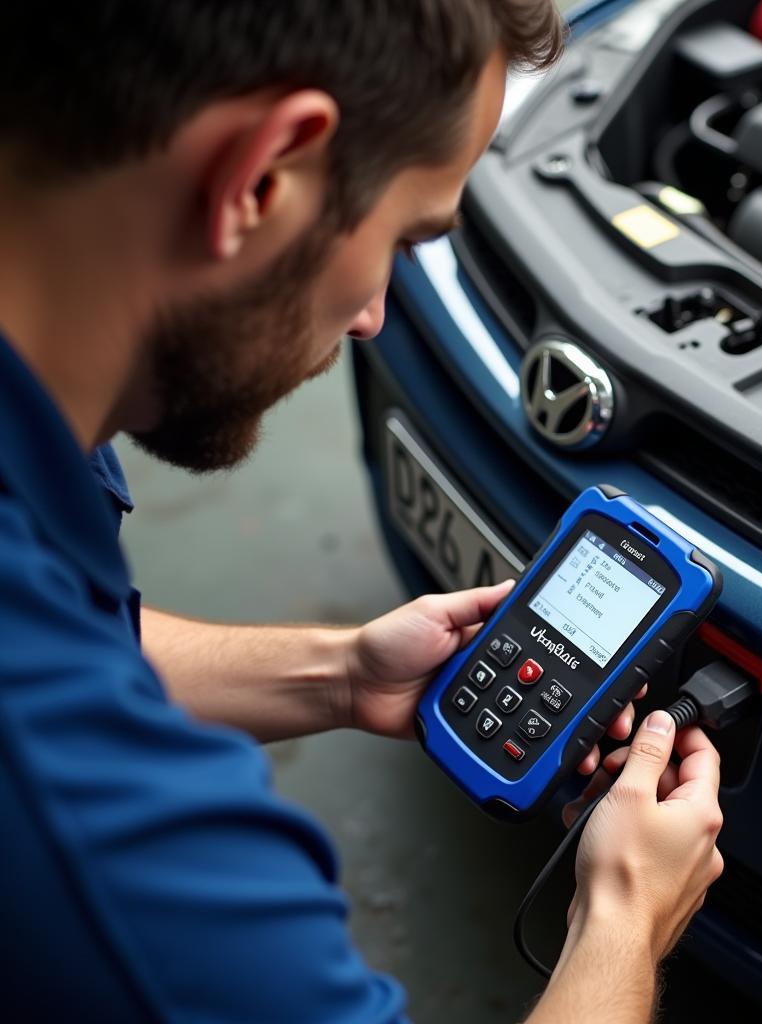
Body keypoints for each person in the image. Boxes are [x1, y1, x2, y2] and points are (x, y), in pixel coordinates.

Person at [0, 2, 724, 1021]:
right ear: (262, 177)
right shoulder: (116, 850)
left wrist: (338, 676)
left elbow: (74, 635)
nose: (375, 310)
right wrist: (622, 921)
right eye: (401, 233)